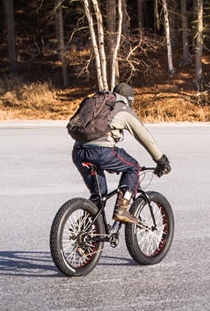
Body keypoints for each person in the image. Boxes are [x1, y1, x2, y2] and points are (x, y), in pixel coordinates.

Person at [71, 82, 171, 224]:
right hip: (101, 151)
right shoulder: (123, 109)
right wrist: (160, 160)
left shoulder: (99, 104)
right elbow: (145, 137)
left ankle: (89, 234)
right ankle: (122, 208)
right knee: (133, 167)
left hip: (79, 152)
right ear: (130, 99)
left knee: (99, 195)